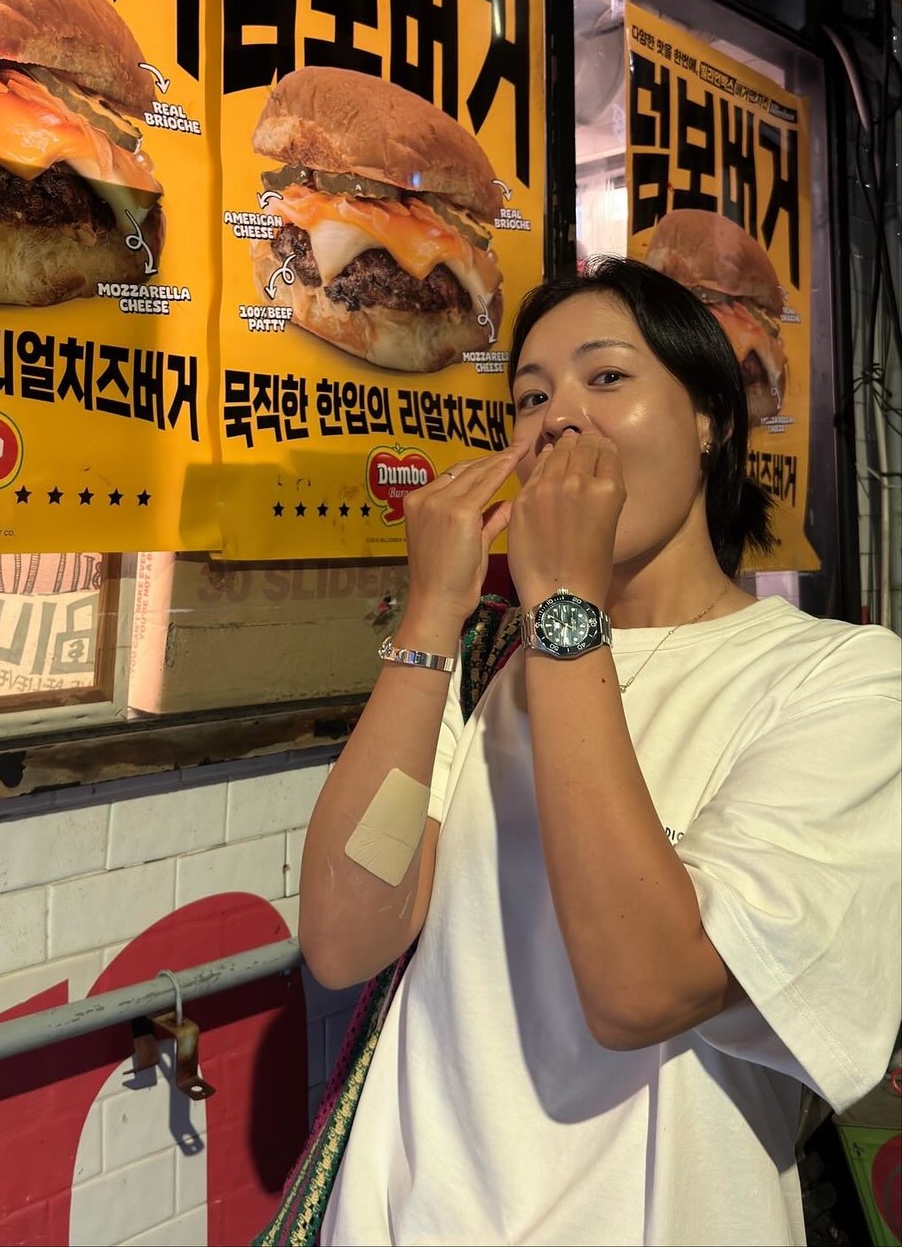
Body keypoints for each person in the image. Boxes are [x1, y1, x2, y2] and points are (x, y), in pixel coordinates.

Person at [302, 257, 901, 1247]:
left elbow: (644, 986)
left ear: (710, 418)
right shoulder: (483, 663)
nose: (559, 422)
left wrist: (565, 610)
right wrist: (432, 612)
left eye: (607, 377)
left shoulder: (837, 680)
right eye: (530, 397)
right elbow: (344, 933)